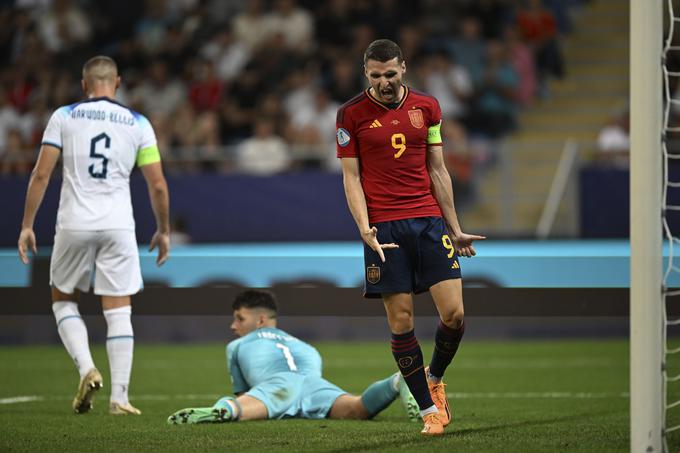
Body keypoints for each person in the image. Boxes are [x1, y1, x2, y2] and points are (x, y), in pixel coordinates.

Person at [336, 39, 485, 436]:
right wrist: (364, 228)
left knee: (454, 315)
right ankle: (427, 411)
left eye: (390, 73)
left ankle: (434, 379)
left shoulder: (428, 107)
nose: (384, 82)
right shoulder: (350, 115)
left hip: (429, 223)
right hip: (384, 228)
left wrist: (454, 226)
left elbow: (438, 170)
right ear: (366, 73)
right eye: (375, 75)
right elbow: (351, 179)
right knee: (401, 323)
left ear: (403, 68)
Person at [17, 56, 170, 416]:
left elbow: (41, 175)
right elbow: (158, 185)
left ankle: (87, 368)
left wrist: (27, 224)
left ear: (84, 84)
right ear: (117, 81)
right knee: (119, 308)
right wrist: (163, 230)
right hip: (119, 225)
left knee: (62, 300)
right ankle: (120, 397)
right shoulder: (138, 123)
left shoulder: (64, 116)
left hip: (74, 222)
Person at [167, 290, 419, 424]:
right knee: (357, 408)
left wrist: (242, 404)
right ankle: (398, 380)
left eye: (239, 318)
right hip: (313, 384)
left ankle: (220, 411)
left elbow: (244, 394)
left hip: (277, 387)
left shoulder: (237, 345)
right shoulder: (306, 346)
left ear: (261, 320)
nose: (234, 326)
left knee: (239, 408)